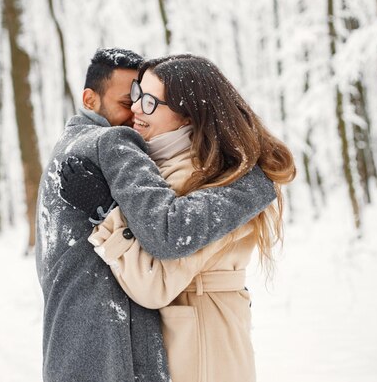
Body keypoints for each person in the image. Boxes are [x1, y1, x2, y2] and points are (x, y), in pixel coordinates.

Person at [36, 48, 277, 382]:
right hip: (185, 334)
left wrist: (106, 216)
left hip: (204, 344)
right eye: (136, 96)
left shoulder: (203, 174)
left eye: (149, 102)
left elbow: (154, 284)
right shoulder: (162, 167)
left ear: (189, 115)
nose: (135, 108)